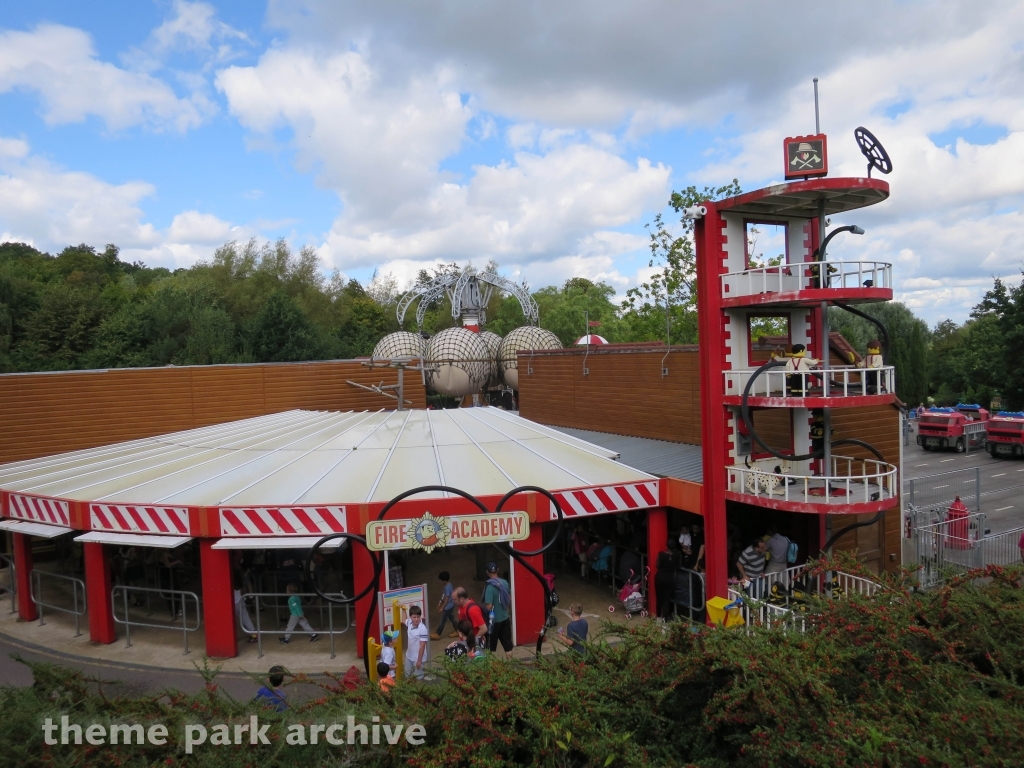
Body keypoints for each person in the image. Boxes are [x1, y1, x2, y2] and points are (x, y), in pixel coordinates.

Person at [482, 562, 513, 655]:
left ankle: (491, 667)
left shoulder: (489, 587)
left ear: (487, 572)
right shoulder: (505, 582)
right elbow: (509, 598)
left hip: (494, 622)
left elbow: (489, 606)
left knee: (490, 647)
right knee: (508, 646)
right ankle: (510, 665)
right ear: (497, 570)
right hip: (505, 618)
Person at [654, 539, 681, 619]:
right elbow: (679, 565)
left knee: (659, 599)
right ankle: (665, 619)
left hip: (660, 577)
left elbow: (657, 565)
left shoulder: (661, 554)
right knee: (666, 600)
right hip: (670, 578)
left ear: (666, 545)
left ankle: (658, 617)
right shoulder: (677, 555)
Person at [405, 605, 430, 679]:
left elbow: (422, 646)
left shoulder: (423, 629)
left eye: (418, 617)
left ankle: (419, 690)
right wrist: (403, 609)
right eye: (414, 617)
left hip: (418, 658)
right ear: (410, 617)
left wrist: (419, 661)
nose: (416, 619)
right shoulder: (409, 622)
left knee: (418, 678)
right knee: (407, 675)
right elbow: (403, 620)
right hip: (409, 656)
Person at [233, 569, 258, 643]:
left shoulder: (229, 582)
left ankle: (231, 638)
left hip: (233, 604)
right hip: (240, 601)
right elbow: (241, 591)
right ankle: (254, 635)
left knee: (230, 622)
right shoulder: (238, 582)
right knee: (246, 619)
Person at [431, 571, 456, 640]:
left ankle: (438, 633)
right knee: (452, 618)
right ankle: (458, 630)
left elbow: (446, 598)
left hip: (448, 606)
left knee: (443, 620)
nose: (440, 582)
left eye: (441, 580)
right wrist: (440, 602)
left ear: (444, 580)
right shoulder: (447, 585)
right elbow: (443, 596)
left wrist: (442, 607)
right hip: (450, 605)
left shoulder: (448, 587)